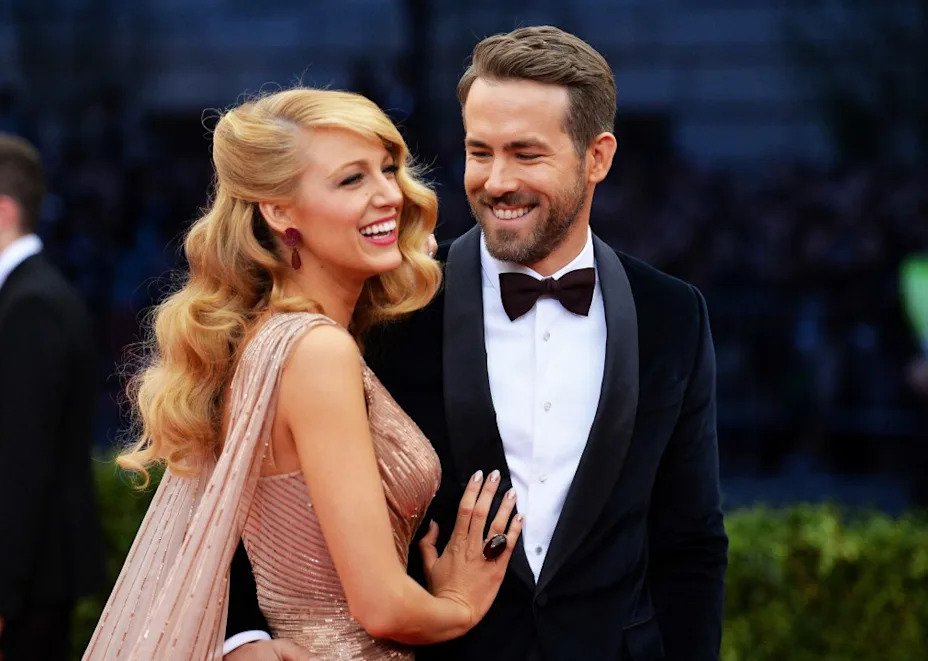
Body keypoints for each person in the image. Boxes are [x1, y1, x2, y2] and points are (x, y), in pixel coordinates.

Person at [226, 26, 728, 661]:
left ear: (597, 157)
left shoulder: (672, 314)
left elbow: (691, 542)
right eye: (480, 152)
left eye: (526, 154)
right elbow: (263, 492)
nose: (495, 181)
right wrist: (244, 642)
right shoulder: (391, 305)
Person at [83, 88, 523, 660]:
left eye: (387, 170)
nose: (389, 195)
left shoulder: (268, 339)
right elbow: (381, 607)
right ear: (280, 211)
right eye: (351, 181)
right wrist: (458, 604)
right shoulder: (316, 353)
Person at [0, 132, 105, 661]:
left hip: (25, 593)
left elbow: (24, 467)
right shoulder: (10, 299)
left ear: (1, 210)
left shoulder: (33, 306)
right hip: (19, 585)